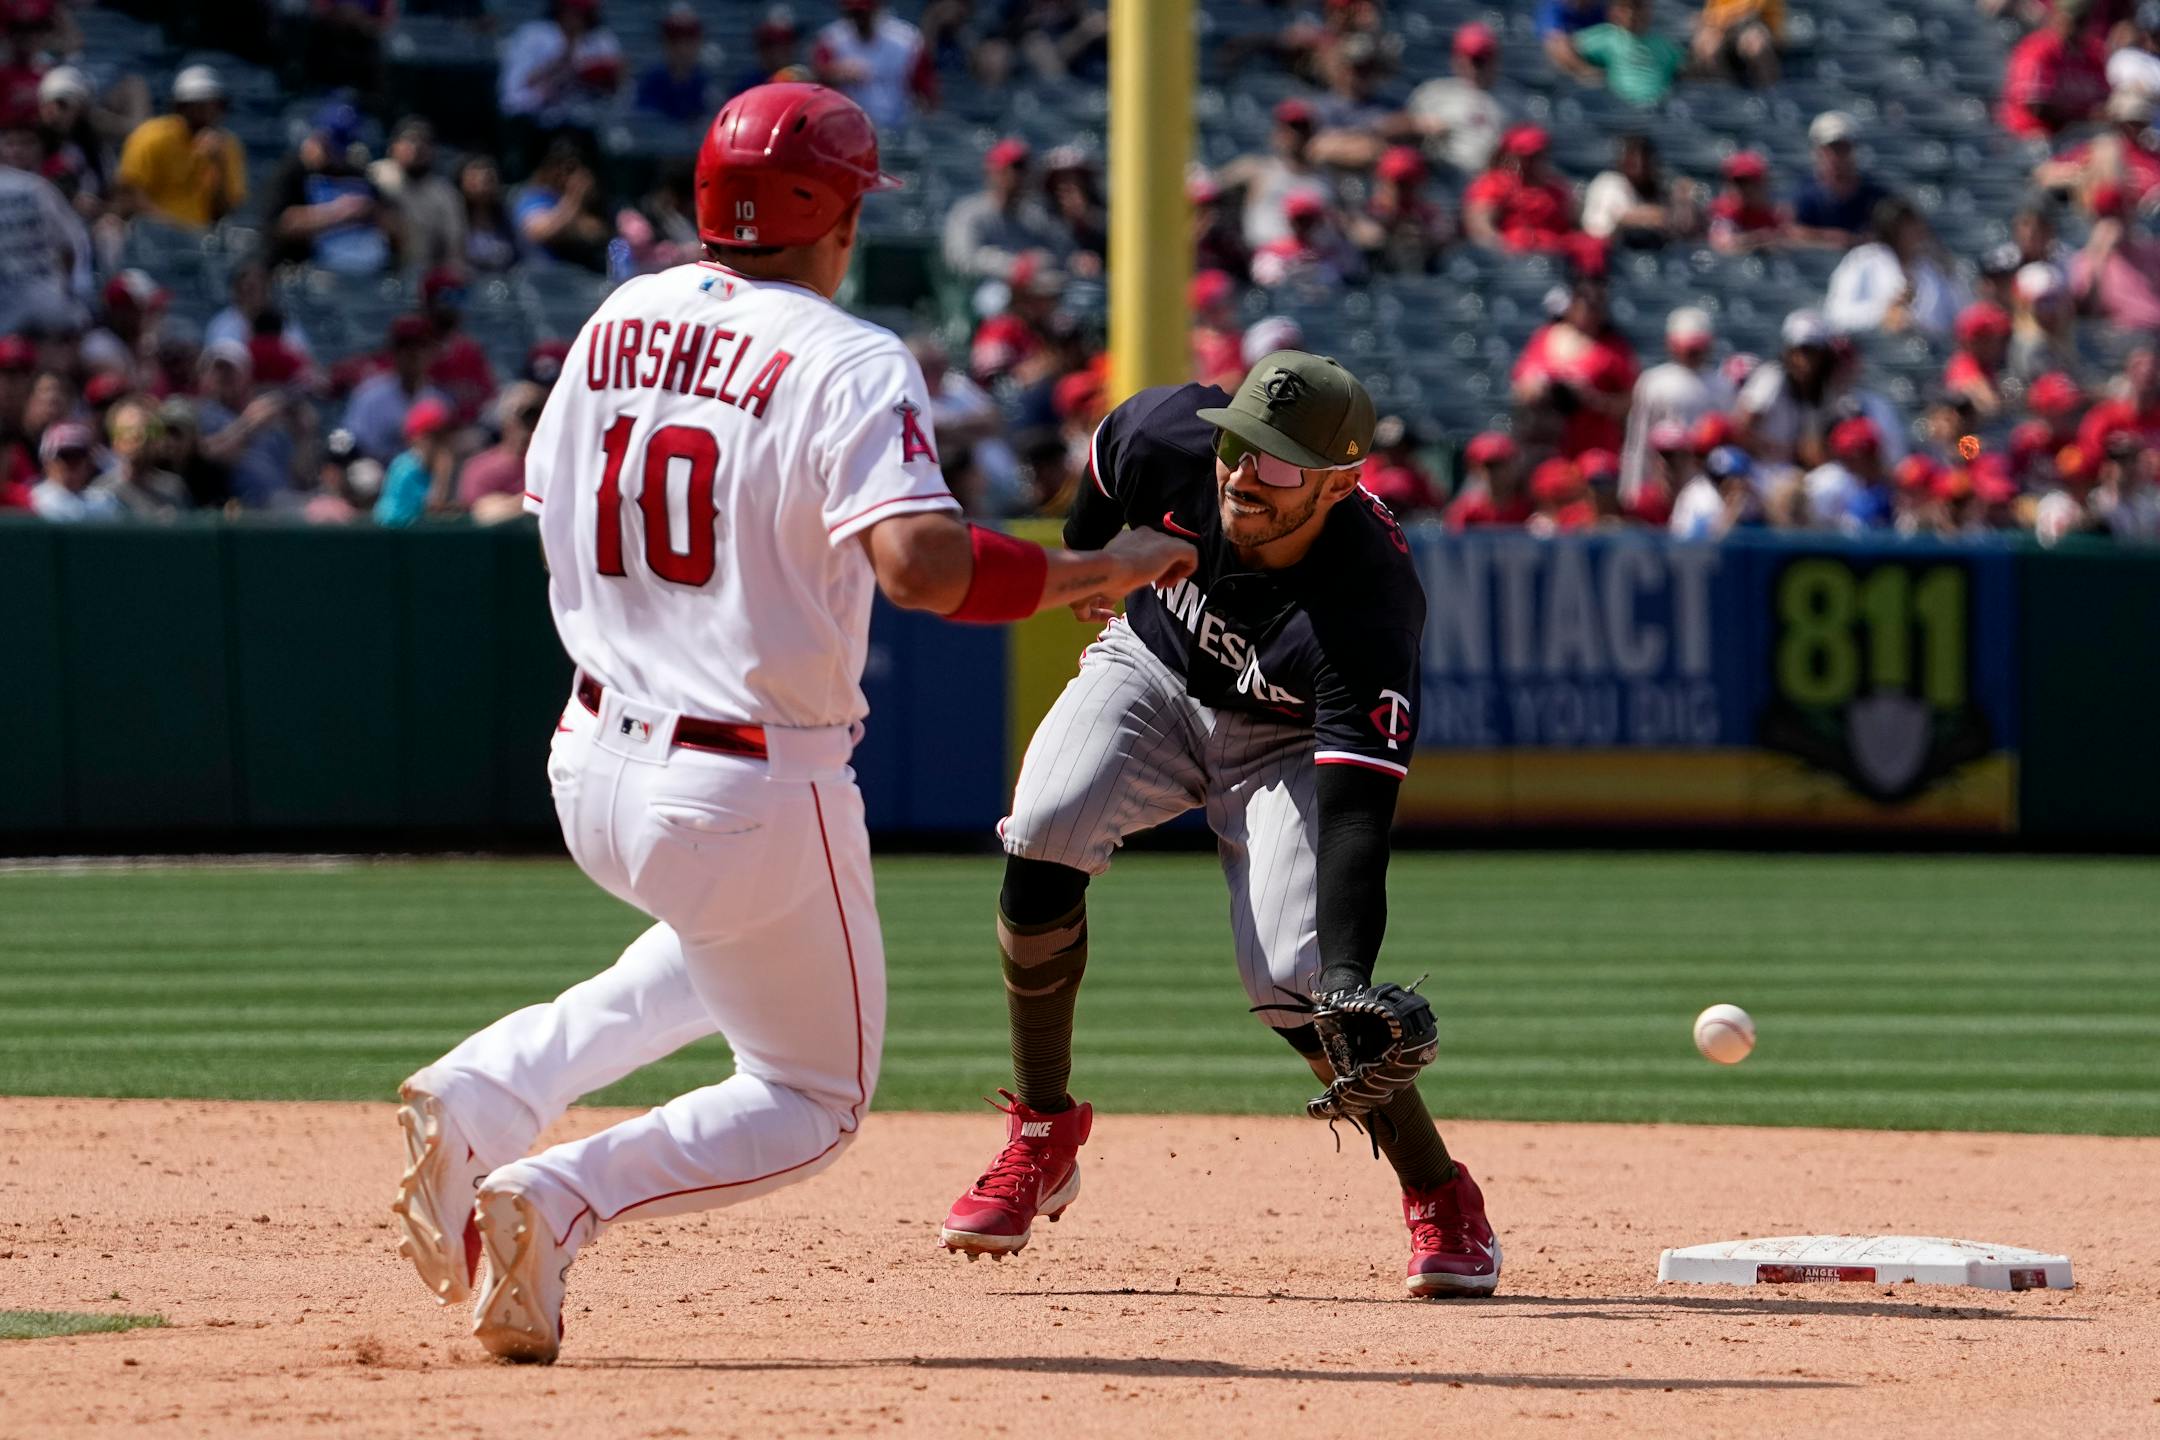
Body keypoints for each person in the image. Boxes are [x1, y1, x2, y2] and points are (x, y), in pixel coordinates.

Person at [387, 82, 1194, 1365]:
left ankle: (485, 1088)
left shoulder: (618, 315)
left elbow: (551, 497)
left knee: (723, 947)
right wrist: (1098, 571)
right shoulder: (846, 354)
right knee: (813, 1097)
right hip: (746, 775)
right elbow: (924, 567)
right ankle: (555, 1193)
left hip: (591, 754)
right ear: (836, 212)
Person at [937, 347, 1497, 1300]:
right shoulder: (1167, 438)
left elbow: (1359, 816)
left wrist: (1351, 976)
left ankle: (1441, 1195)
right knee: (1044, 824)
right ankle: (1043, 1131)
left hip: (1283, 742)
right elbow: (1111, 459)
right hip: (1152, 670)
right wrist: (1088, 557)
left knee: (1300, 981)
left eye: (1279, 463)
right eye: (1239, 445)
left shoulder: (1366, 600)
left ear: (1341, 483)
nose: (1244, 473)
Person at [268, 98, 397, 275]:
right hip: (304, 275)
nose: (335, 152)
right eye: (329, 142)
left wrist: (372, 212)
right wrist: (341, 212)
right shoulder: (294, 171)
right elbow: (281, 226)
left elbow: (395, 227)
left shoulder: (358, 175)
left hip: (362, 276)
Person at [1513, 278, 1640, 456]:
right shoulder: (1544, 337)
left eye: (1596, 306)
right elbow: (1521, 388)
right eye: (1585, 304)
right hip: (1546, 445)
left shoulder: (1615, 349)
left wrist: (1593, 399)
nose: (1589, 312)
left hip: (1595, 448)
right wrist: (1541, 389)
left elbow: (1632, 402)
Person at [114, 65, 245, 229]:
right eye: (199, 107)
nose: (208, 114)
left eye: (215, 106)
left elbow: (224, 210)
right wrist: (173, 227)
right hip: (149, 235)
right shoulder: (151, 136)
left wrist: (219, 164)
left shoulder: (226, 145)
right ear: (180, 107)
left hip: (200, 240)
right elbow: (129, 194)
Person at [1619, 307, 1729, 498]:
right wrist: (1633, 491)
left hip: (1705, 486)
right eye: (1688, 346)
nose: (1693, 352)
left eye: (1697, 346)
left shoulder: (1722, 384)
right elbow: (1638, 443)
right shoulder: (1653, 382)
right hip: (1661, 483)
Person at [1824, 196, 1968, 338]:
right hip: (1873, 349)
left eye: (1915, 224)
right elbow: (1836, 314)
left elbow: (1957, 319)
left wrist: (1914, 322)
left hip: (1925, 350)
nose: (1915, 232)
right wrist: (1885, 312)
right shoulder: (1863, 260)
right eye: (1906, 227)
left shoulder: (1934, 267)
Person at [499, 0, 623, 160]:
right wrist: (562, 65)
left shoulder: (601, 39)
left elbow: (617, 89)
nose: (577, 18)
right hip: (535, 124)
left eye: (583, 13)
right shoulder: (534, 35)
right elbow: (514, 96)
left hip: (584, 125)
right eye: (573, 12)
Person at [0, 117, 88, 336]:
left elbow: (70, 249)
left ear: (41, 148)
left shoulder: (41, 187)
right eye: (11, 143)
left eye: (27, 143)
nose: (18, 151)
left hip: (32, 310)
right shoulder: (40, 188)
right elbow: (70, 249)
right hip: (45, 306)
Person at [942, 138, 1069, 284]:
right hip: (981, 292)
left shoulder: (1034, 216)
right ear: (994, 171)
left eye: (1024, 168)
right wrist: (1011, 266)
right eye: (1016, 167)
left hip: (1032, 293)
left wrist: (1040, 260)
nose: (1021, 175)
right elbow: (961, 260)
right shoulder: (968, 213)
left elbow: (1058, 253)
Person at [1216, 99, 1333, 253]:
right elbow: (1209, 185)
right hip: (1266, 260)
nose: (1295, 135)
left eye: (1301, 128)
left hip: (1314, 262)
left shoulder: (1327, 178)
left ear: (1312, 133)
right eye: (1287, 128)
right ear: (1276, 133)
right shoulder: (1256, 169)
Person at [196, 342, 298, 508]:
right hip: (236, 508)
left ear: (246, 375)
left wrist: (304, 432)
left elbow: (297, 473)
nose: (223, 376)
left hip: (279, 503)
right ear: (205, 375)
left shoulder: (267, 417)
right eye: (217, 369)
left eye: (231, 370)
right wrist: (249, 425)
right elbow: (209, 455)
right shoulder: (203, 414)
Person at [342, 314, 450, 464]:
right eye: (405, 347)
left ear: (431, 351)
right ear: (393, 351)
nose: (413, 354)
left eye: (420, 346)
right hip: (376, 477)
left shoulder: (439, 399)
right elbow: (350, 446)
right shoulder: (368, 397)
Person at [1405, 21, 1507, 178]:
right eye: (1470, 58)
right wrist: (1420, 126)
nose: (1475, 66)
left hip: (1490, 181)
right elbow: (1403, 137)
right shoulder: (1433, 93)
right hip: (1440, 176)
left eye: (1481, 60)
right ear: (1456, 59)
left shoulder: (1514, 100)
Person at [1735, 308, 1836, 466]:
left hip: (1789, 469)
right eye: (1799, 351)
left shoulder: (1820, 391)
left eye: (1811, 352)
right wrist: (1782, 451)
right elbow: (1741, 427)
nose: (1804, 360)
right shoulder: (1772, 378)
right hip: (1758, 465)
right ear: (1788, 351)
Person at [811, 0, 933, 129]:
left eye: (863, 12)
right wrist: (834, 74)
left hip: (898, 129)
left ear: (877, 8)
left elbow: (926, 93)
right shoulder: (831, 40)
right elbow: (816, 84)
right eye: (853, 13)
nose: (858, 19)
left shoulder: (907, 41)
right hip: (849, 129)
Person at [2033, 89, 2160, 210]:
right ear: (2118, 122)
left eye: (2141, 122)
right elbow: (2045, 173)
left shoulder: (2152, 152)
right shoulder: (2101, 151)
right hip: (2115, 217)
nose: (2137, 128)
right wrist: (2084, 177)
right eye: (2132, 122)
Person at [1998, 0, 2107, 141]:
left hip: (2076, 139)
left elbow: (2104, 101)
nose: (2079, 26)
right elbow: (2036, 107)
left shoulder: (2093, 55)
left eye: (2084, 19)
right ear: (2057, 17)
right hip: (2031, 138)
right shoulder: (2038, 49)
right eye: (2075, 19)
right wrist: (2084, 116)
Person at [1463, 125, 1580, 254]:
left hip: (1554, 257)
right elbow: (1480, 226)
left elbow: (1572, 227)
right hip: (1514, 258)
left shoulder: (1556, 189)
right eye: (1526, 157)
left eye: (1538, 155)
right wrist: (1502, 250)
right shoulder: (1494, 184)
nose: (1531, 162)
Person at [368, 119, 465, 274]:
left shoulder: (444, 193)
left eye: (423, 142)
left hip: (425, 275)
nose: (416, 148)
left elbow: (454, 246)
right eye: (409, 141)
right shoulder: (375, 176)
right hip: (378, 271)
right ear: (393, 146)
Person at [1559, 0, 1687, 107]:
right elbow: (1565, 48)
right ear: (1615, 12)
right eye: (1625, 9)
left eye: (1637, 9)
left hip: (1660, 107)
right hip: (1619, 105)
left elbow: (1683, 68)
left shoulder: (1663, 43)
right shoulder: (1607, 37)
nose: (1631, 16)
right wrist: (1585, 71)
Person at [1788, 111, 1887, 249]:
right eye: (1832, 149)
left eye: (1844, 148)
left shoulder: (1875, 196)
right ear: (1818, 152)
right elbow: (1792, 232)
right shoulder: (1805, 195)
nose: (1837, 156)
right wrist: (1831, 238)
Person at [1581, 133, 1699, 247]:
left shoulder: (1653, 186)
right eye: (1633, 160)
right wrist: (1664, 214)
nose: (1640, 166)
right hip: (1608, 251)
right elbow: (1623, 216)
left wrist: (1682, 200)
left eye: (1644, 160)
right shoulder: (1609, 182)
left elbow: (1682, 223)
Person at [2069, 184, 2160, 330]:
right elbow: (2089, 311)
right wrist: (2100, 255)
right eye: (2106, 216)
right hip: (2120, 335)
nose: (2114, 223)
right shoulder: (2084, 261)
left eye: (2119, 215)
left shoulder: (2151, 250)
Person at [514, 139, 612, 272]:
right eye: (567, 167)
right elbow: (540, 233)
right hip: (543, 281)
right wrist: (575, 196)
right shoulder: (535, 197)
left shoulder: (586, 204)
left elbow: (598, 233)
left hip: (581, 280)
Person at [1353, 145, 1450, 274]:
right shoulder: (1370, 210)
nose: (1400, 190)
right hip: (1378, 283)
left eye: (1407, 183)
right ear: (1383, 181)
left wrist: (1425, 237)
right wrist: (1391, 231)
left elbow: (1442, 237)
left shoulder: (1427, 213)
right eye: (1396, 183)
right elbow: (1365, 237)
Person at [89, 395, 189, 518]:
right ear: (115, 441)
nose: (141, 438)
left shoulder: (173, 489)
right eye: (129, 431)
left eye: (149, 430)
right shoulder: (101, 492)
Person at [458, 379, 546, 516]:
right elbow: (483, 514)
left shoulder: (558, 465)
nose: (533, 423)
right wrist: (538, 500)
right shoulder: (480, 468)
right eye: (527, 415)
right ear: (506, 420)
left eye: (540, 415)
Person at [373, 395, 458, 526]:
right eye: (434, 436)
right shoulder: (406, 468)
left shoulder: (448, 464)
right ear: (416, 438)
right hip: (395, 537)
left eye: (444, 435)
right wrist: (442, 476)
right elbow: (431, 511)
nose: (440, 443)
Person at [1250, 190, 1357, 290]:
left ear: (1318, 221)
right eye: (1300, 220)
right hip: (1285, 306)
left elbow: (1351, 273)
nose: (1304, 225)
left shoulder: (1331, 251)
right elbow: (1266, 282)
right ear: (1290, 220)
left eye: (1309, 220)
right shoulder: (1271, 252)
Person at [636, 5, 716, 123]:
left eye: (689, 38)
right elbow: (645, 123)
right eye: (674, 39)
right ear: (664, 43)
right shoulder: (651, 82)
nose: (682, 47)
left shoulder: (705, 83)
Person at [28, 420, 119, 520]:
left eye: (78, 457)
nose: (72, 464)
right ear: (47, 463)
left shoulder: (103, 502)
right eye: (65, 456)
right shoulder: (34, 500)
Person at [2009, 263, 2084, 381]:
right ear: (2024, 305)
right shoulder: (2031, 347)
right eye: (2043, 302)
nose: (2052, 309)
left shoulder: (2068, 338)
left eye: (2055, 299)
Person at [1361, 413, 1443, 517]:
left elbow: (1435, 506)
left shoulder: (1414, 473)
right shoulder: (1366, 467)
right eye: (1388, 449)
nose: (1393, 453)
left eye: (1399, 447)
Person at [1444, 431, 1531, 528]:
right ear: (1474, 468)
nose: (1500, 472)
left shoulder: (1528, 507)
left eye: (1505, 464)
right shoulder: (1465, 509)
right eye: (1491, 466)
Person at [1707, 150, 1784, 253]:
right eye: (1739, 182)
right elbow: (1720, 244)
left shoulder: (1772, 215)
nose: (1745, 188)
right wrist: (1755, 238)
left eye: (1750, 182)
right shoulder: (1724, 209)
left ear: (1762, 183)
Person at [1942, 303, 2011, 417]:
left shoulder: (1986, 364)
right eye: (1984, 338)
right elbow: (1989, 405)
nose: (1994, 344)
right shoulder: (1963, 366)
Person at [455, 155, 521, 274]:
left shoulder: (508, 218)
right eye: (475, 179)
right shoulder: (452, 219)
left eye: (488, 180)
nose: (482, 185)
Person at [1691, 0, 1781, 86]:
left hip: (1757, 22)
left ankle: (1768, 88)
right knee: (1708, 45)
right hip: (1725, 26)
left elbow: (1751, 10)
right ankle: (1722, 89)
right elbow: (1712, 10)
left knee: (1755, 44)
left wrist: (1717, 20)